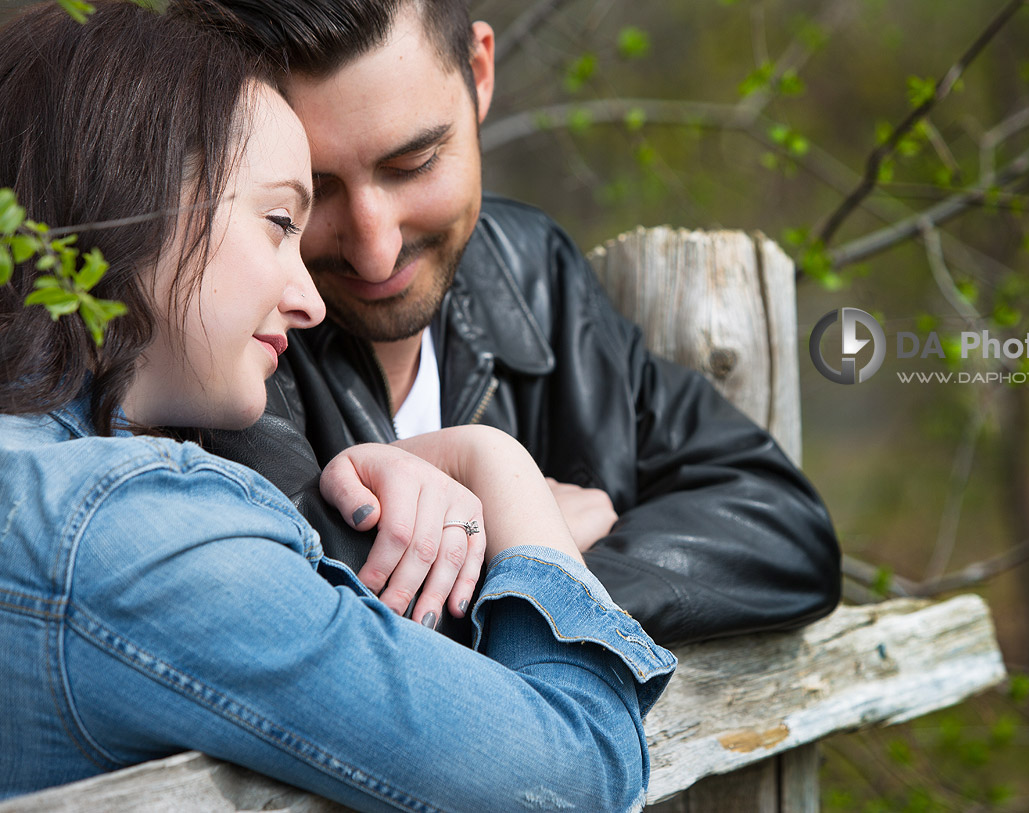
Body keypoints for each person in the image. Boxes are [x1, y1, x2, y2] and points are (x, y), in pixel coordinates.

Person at [0, 3, 674, 811]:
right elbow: (581, 770)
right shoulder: (121, 536)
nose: (310, 298)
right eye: (282, 218)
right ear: (132, 191)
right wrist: (502, 470)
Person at [196, 0, 843, 647]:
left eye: (413, 164)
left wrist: (540, 572)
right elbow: (301, 619)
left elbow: (783, 529)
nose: (376, 249)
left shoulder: (531, 275)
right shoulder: (221, 334)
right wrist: (534, 543)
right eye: (313, 191)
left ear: (479, 72)